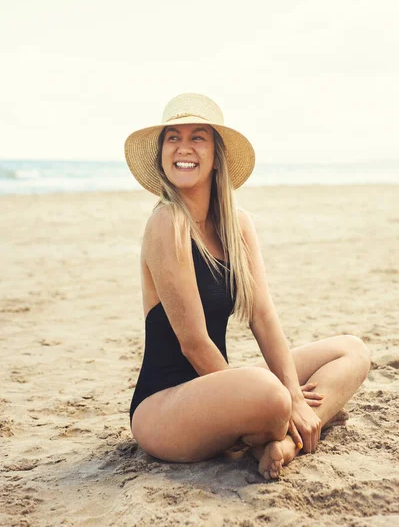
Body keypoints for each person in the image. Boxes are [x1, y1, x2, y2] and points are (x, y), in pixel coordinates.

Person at [124, 93, 370, 479]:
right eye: (172, 137)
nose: (183, 147)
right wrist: (280, 398)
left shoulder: (237, 225)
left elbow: (263, 315)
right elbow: (194, 343)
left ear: (216, 154)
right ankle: (283, 425)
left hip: (222, 389)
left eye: (197, 137)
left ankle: (284, 442)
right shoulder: (166, 223)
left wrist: (292, 392)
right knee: (268, 392)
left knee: (351, 350)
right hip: (164, 408)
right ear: (161, 154)